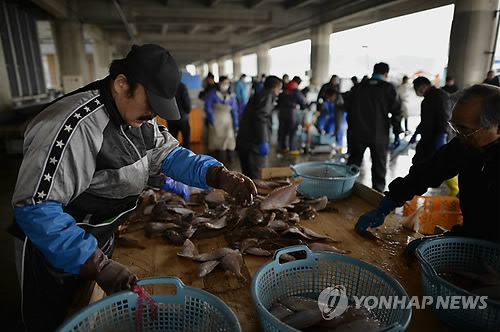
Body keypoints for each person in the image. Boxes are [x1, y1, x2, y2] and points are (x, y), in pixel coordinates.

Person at [9, 44, 257, 331]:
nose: (153, 114)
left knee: (95, 317)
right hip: (54, 246)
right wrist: (94, 263)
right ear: (121, 83)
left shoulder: (139, 120)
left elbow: (169, 155)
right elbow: (36, 208)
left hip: (99, 234)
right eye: (149, 102)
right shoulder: (73, 126)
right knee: (57, 320)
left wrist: (216, 174)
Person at [355, 84, 500, 243]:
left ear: (498, 128)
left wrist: (457, 238)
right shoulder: (465, 144)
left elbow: (491, 221)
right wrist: (388, 203)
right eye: (455, 127)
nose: (459, 135)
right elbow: (428, 172)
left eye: (465, 130)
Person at [344, 62, 402, 192]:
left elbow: (347, 108)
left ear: (373, 72)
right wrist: (397, 131)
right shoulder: (388, 88)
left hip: (358, 133)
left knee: (353, 164)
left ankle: (347, 189)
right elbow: (397, 111)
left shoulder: (358, 87)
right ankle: (377, 193)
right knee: (379, 165)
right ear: (386, 74)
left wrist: (352, 127)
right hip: (379, 134)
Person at [236, 76, 282, 179]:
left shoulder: (259, 95)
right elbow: (262, 117)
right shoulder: (268, 95)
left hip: (245, 142)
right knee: (255, 178)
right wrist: (263, 140)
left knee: (248, 178)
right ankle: (254, 195)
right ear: (275, 87)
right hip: (253, 145)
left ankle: (247, 195)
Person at [204, 76, 239, 161]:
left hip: (228, 120)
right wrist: (211, 119)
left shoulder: (231, 96)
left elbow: (234, 110)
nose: (225, 85)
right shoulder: (212, 94)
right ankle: (219, 160)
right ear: (219, 83)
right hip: (216, 120)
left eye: (227, 83)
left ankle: (230, 157)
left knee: (229, 138)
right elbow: (208, 107)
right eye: (224, 83)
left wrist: (236, 123)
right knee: (218, 141)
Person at [277, 80, 305, 155]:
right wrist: (302, 107)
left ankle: (284, 147)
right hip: (292, 113)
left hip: (282, 113)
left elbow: (278, 102)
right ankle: (293, 149)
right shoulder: (296, 92)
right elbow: (302, 101)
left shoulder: (283, 92)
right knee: (292, 131)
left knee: (283, 131)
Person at [168, 81, 192, 149]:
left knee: (172, 142)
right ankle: (187, 158)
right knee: (186, 140)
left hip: (171, 118)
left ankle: (173, 158)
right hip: (182, 117)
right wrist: (188, 110)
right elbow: (186, 102)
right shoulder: (181, 86)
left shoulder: (167, 86)